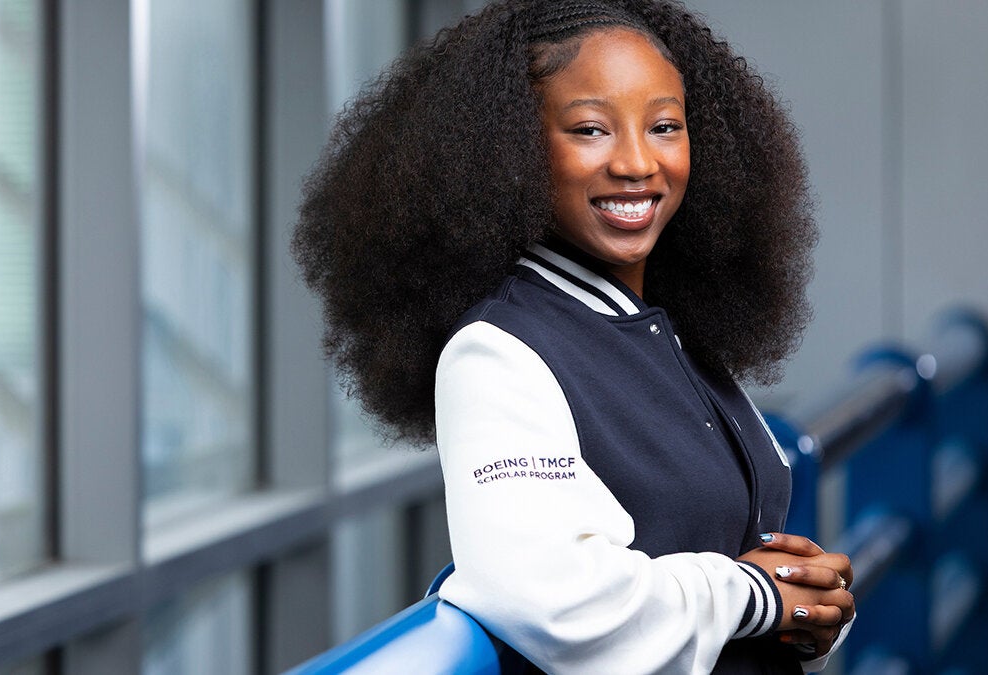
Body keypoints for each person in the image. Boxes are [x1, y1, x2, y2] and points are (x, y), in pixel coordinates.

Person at [294, 1, 855, 672]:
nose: (637, 162)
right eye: (590, 128)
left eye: (665, 126)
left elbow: (743, 559)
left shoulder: (671, 333)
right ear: (513, 150)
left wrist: (809, 605)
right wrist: (757, 594)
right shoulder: (497, 352)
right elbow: (552, 601)